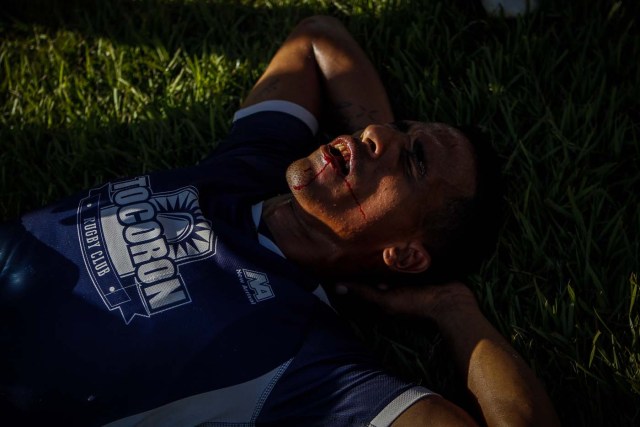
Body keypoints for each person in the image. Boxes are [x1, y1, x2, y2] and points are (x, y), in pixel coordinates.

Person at [0, 15, 559, 426]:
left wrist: (451, 307)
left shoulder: (302, 363)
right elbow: (318, 38)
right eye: (401, 128)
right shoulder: (252, 165)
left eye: (412, 162)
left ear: (407, 255)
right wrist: (368, 154)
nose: (379, 136)